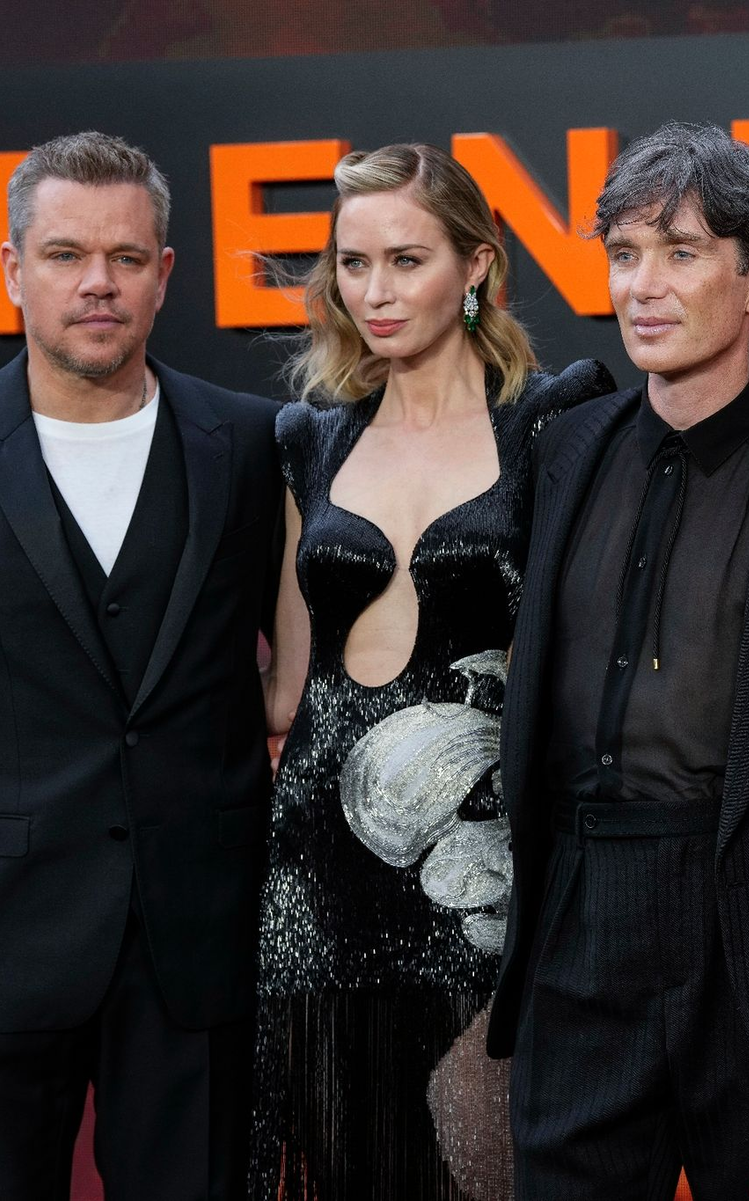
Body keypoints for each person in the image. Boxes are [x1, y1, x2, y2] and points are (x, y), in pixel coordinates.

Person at [485, 122, 749, 1201]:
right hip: (580, 913)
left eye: (679, 251)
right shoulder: (564, 449)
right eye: (624, 254)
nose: (643, 286)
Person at [249, 142, 613, 1200]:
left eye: (406, 260)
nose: (374, 291)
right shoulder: (306, 440)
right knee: (346, 1167)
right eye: (352, 264)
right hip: (313, 882)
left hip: (480, 874)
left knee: (478, 1172)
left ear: (479, 267)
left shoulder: (553, 422)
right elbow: (288, 685)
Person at [0, 132, 282, 1200]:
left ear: (165, 274)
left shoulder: (253, 444)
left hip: (196, 944)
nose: (97, 283)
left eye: (127, 258)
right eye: (65, 254)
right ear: (10, 270)